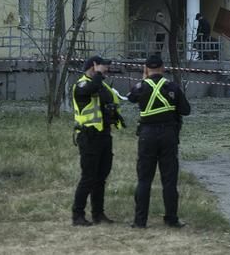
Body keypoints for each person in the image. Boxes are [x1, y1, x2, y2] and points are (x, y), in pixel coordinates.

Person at [128, 55, 191, 228]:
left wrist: (144, 80)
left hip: (147, 135)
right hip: (168, 135)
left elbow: (131, 98)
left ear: (146, 69)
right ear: (163, 68)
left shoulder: (140, 87)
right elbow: (186, 110)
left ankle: (140, 221)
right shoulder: (172, 87)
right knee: (169, 180)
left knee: (144, 180)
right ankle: (171, 219)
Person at [72, 55, 125, 226]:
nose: (106, 70)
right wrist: (99, 74)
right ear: (93, 67)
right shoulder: (81, 84)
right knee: (88, 177)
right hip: (89, 137)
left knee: (101, 177)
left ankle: (98, 213)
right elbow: (90, 89)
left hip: (103, 135)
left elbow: (110, 101)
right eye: (103, 66)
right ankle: (78, 215)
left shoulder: (100, 85)